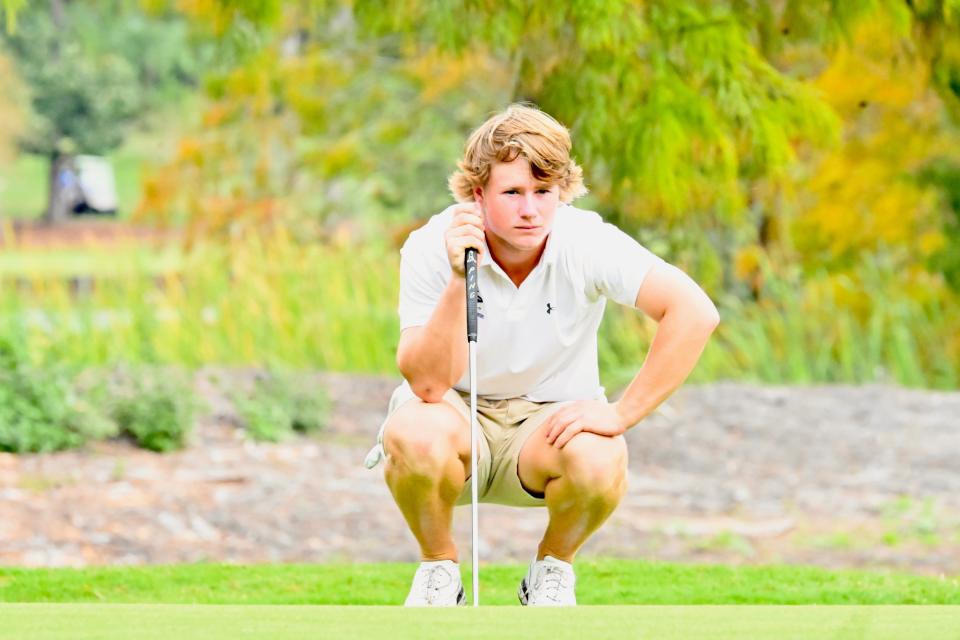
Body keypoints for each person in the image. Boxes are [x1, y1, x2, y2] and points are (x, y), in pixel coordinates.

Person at [364, 103, 720, 606]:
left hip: (546, 429)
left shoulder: (585, 241)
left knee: (601, 455)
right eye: (512, 193)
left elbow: (693, 312)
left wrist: (621, 413)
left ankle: (550, 571)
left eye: (543, 192)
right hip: (456, 417)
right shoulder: (430, 245)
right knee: (413, 431)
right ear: (476, 193)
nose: (530, 209)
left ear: (561, 192)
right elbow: (426, 385)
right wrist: (456, 279)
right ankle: (440, 571)